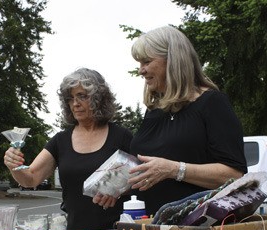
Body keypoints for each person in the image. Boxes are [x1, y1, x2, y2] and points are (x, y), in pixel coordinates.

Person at [104, 25, 247, 217]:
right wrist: (115, 185)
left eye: (146, 61)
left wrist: (174, 169)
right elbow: (148, 172)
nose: (141, 71)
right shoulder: (154, 111)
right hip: (149, 226)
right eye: (139, 63)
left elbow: (235, 175)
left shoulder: (212, 103)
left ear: (172, 60)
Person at [4, 68, 133, 230]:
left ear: (99, 98)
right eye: (70, 98)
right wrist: (13, 165)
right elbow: (30, 179)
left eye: (82, 96)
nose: (75, 104)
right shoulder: (61, 140)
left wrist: (118, 190)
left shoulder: (121, 136)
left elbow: (144, 180)